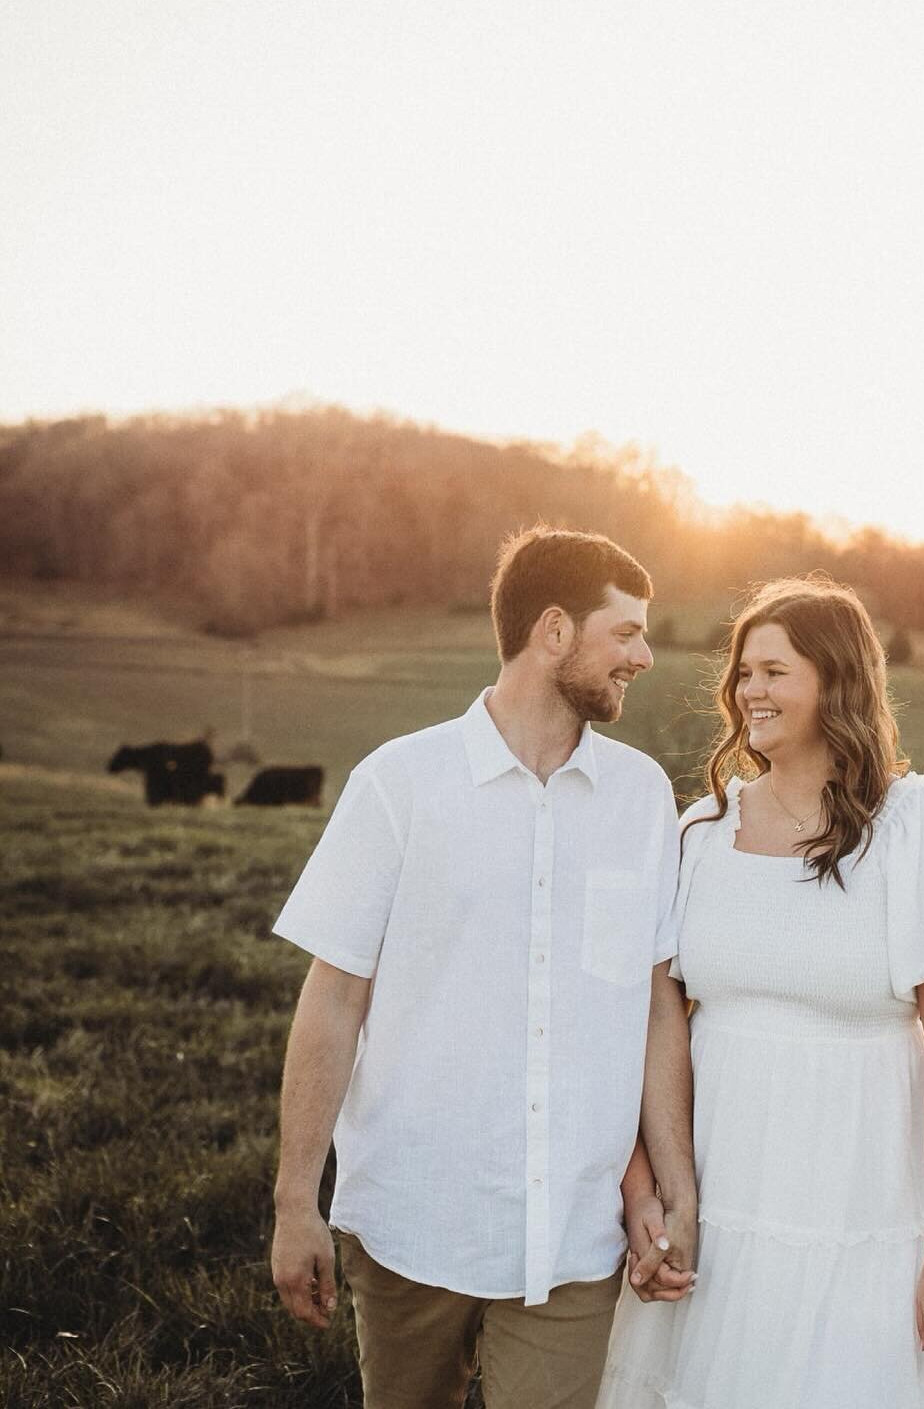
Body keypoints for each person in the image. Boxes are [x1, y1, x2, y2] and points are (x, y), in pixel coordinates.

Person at [269, 526, 698, 1409]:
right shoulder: (400, 783)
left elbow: (657, 1009)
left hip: (574, 1237)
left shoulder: (644, 799)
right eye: (625, 633)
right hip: (413, 1219)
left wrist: (669, 1190)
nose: (645, 656)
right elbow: (334, 998)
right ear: (553, 632)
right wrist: (293, 1203)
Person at [597, 575, 924, 1408]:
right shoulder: (701, 831)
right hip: (716, 1198)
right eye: (743, 671)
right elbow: (647, 1026)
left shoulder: (916, 831)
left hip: (858, 1206)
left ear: (838, 680)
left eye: (775, 671)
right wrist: (648, 1193)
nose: (750, 689)